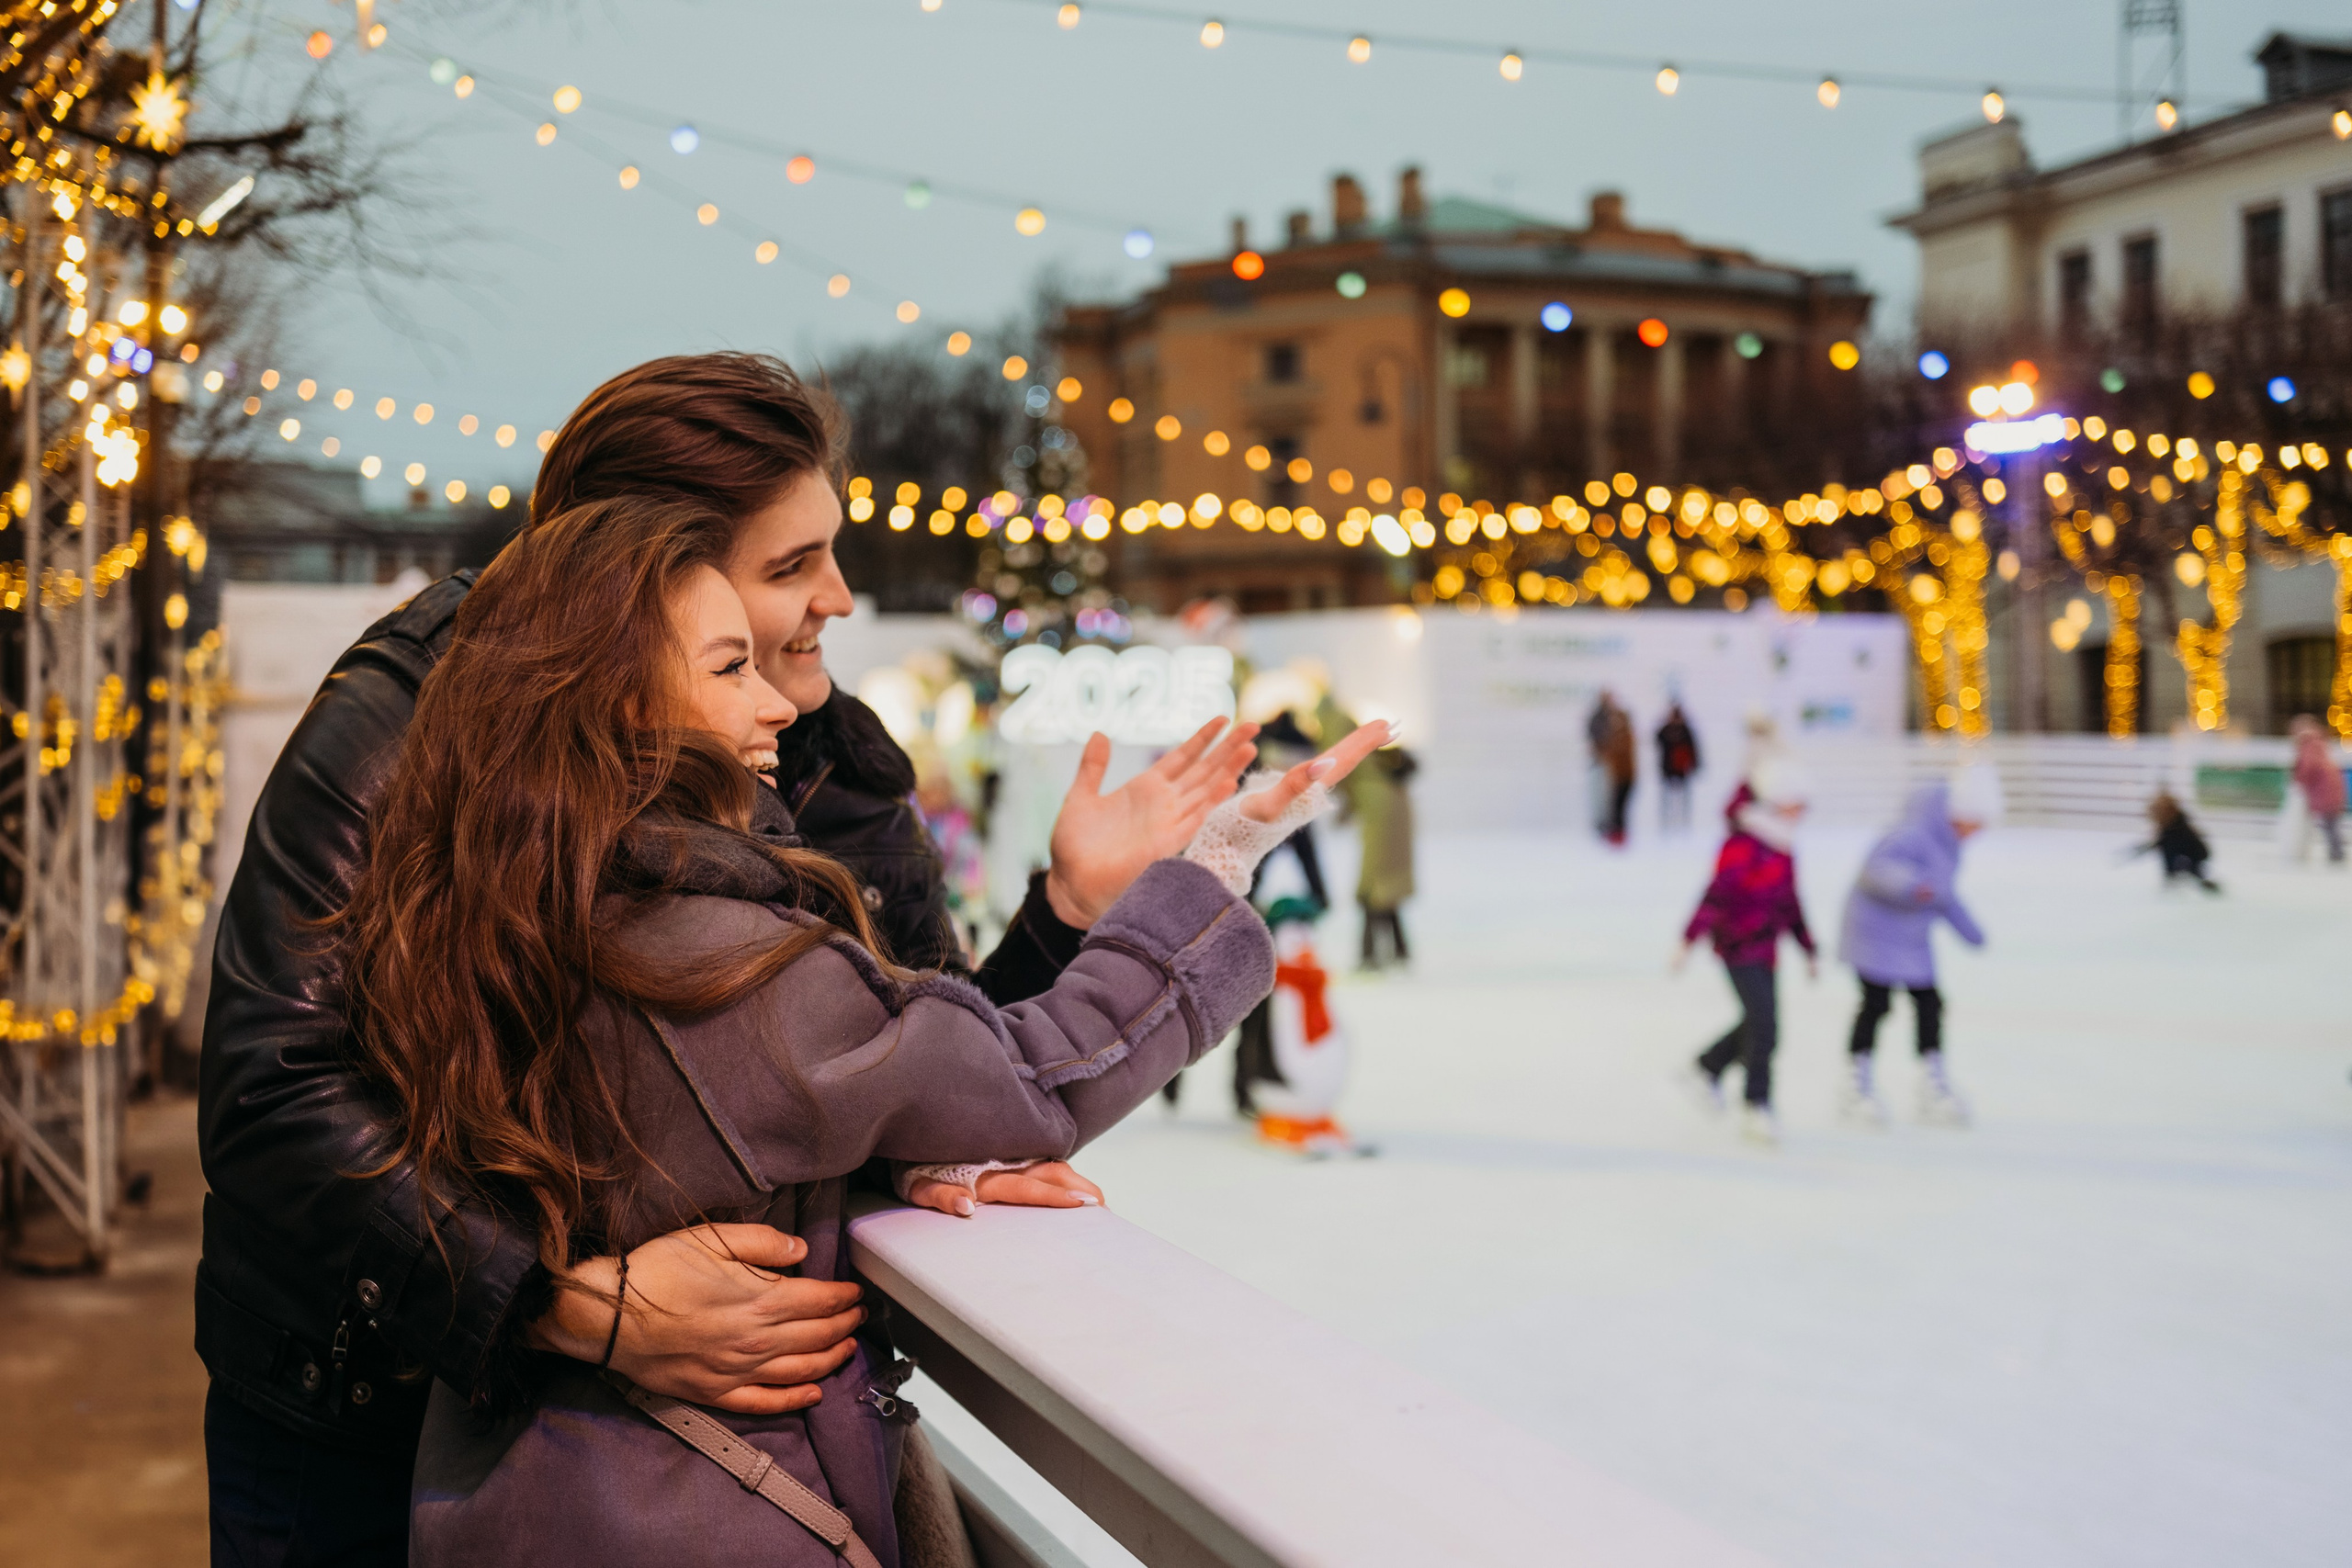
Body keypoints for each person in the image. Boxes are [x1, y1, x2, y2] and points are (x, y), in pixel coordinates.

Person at [195, 354, 1254, 1564]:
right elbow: (277, 1082)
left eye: (833, 550)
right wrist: (559, 1300)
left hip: (654, 1458)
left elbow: (909, 1047)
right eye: (790, 566)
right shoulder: (413, 715)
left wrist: (1065, 913)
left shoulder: (833, 761)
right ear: (642, 582)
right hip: (358, 1408)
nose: (842, 598)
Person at [335, 499, 1386, 1566]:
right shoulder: (715, 960)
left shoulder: (480, 910)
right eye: (730, 668)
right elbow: (1028, 1078)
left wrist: (886, 1162)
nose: (775, 707)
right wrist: (1203, 876)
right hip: (704, 1518)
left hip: (503, 1496)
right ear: (616, 706)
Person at [1838, 769, 1996, 1129]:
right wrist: (1912, 885)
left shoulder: (1947, 847)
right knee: (1876, 1004)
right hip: (1874, 935)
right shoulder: (1911, 834)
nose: (1980, 831)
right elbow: (1875, 869)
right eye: (1978, 823)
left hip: (1909, 941)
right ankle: (1855, 1084)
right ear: (1962, 815)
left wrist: (1970, 932)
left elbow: (1944, 896)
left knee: (1930, 1003)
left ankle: (1932, 1082)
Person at [1674, 755, 1815, 1145]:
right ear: (1777, 801)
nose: (1803, 812)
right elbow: (1716, 894)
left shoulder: (1782, 846)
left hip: (1766, 947)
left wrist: (1808, 946)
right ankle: (1757, 1104)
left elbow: (1789, 902)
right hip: (1737, 946)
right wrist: (1688, 939)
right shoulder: (1742, 845)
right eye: (1797, 803)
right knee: (1764, 1025)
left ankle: (1707, 1067)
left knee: (1762, 1024)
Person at [1345, 740, 1418, 971]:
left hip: (1379, 865)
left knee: (1372, 902)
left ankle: (1369, 955)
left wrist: (1366, 881)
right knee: (1388, 904)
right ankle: (1399, 951)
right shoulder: (1398, 789)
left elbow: (1378, 845)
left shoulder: (1374, 787)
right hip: (1396, 865)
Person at [2135, 787, 2221, 892]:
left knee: (2174, 858)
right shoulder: (2174, 824)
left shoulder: (2175, 828)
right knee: (2192, 874)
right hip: (2192, 855)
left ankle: (2177, 881)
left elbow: (2167, 846)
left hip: (2195, 855)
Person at [2288, 714, 2346, 864]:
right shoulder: (2318, 741)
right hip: (2330, 783)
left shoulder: (2308, 743)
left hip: (2323, 786)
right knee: (2331, 820)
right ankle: (2337, 852)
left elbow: (2309, 766)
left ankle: (2337, 853)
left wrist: (2298, 779)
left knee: (2329, 821)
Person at [1589, 690, 1637, 846]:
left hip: (1621, 773)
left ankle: (1618, 832)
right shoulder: (1599, 720)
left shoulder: (1625, 737)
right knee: (1609, 803)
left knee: (1618, 804)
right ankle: (1610, 831)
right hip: (1610, 771)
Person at [1655, 703, 1701, 831]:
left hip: (1681, 769)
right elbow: (1657, 739)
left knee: (1683, 799)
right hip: (1668, 768)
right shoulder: (1666, 729)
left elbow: (1693, 749)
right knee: (1668, 799)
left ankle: (1683, 824)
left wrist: (1695, 764)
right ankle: (1667, 824)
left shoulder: (1686, 730)